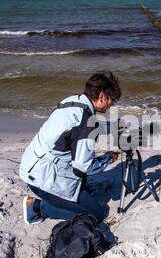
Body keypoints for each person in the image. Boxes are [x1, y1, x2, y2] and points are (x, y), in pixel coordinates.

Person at [19, 71, 121, 225]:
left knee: (79, 156)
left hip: (32, 165)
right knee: (96, 214)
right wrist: (108, 157)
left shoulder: (74, 101)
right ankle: (38, 207)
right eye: (113, 100)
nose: (112, 105)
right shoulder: (86, 122)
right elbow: (82, 168)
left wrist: (113, 127)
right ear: (101, 97)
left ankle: (78, 192)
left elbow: (80, 129)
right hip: (42, 180)